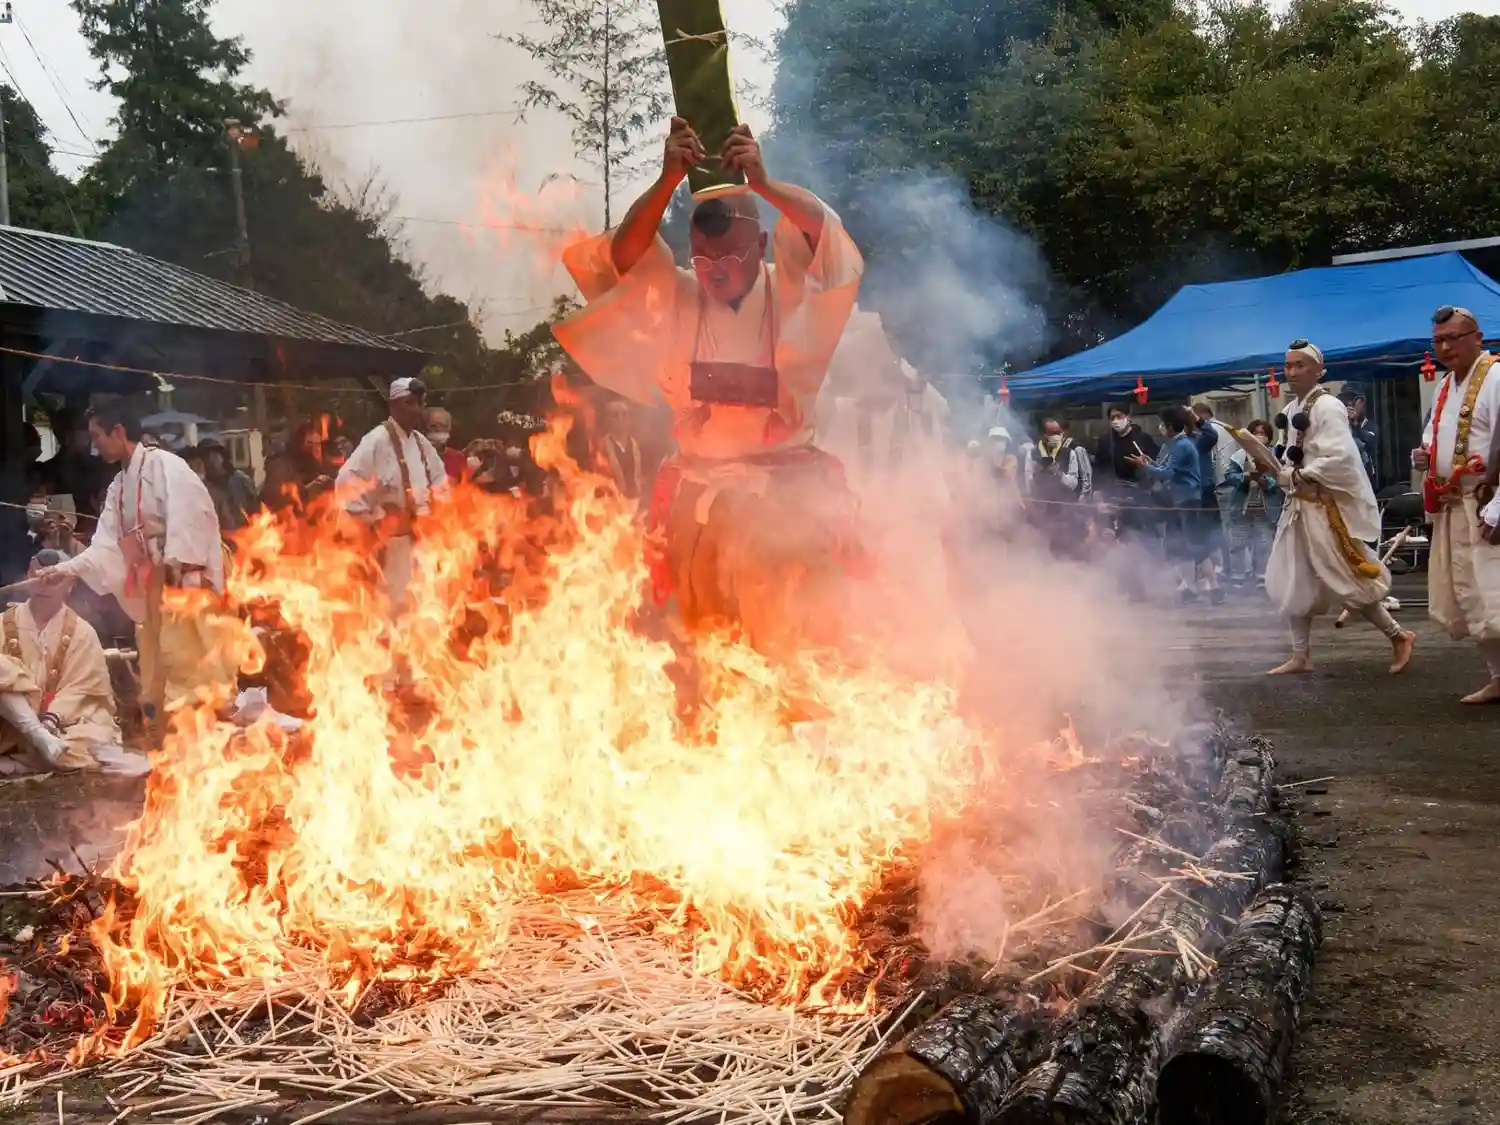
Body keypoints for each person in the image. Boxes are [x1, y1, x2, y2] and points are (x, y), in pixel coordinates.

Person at [552, 117, 864, 650]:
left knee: (798, 641)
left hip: (789, 504)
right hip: (703, 503)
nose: (715, 270)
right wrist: (667, 181)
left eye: (732, 256)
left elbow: (826, 239)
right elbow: (623, 259)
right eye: (703, 257)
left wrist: (764, 185)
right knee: (706, 639)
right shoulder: (678, 294)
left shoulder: (791, 287)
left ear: (760, 244)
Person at [35, 399, 233, 742]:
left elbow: (194, 516)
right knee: (153, 660)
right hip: (155, 581)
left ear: (118, 431)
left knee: (185, 659)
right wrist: (65, 569)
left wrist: (178, 566)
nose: (94, 445)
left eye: (97, 435)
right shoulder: (119, 485)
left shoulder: (167, 466)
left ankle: (198, 739)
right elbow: (105, 546)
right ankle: (162, 736)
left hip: (186, 579)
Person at [1261, 341, 1414, 675]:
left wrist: (1300, 474)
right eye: (1288, 365)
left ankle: (1399, 635)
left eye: (1300, 365)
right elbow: (1291, 455)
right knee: (1293, 578)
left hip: (1323, 510)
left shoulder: (1329, 406)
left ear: (1319, 370)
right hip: (1297, 508)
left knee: (1347, 577)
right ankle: (1300, 654)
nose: (1291, 372)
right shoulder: (1292, 408)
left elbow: (1341, 458)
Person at [1413, 306, 1500, 703]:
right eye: (1439, 341)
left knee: (1495, 592)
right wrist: (1425, 455)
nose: (1446, 347)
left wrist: (1498, 507)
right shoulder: (1445, 386)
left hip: (1487, 502)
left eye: (1453, 338)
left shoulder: (1496, 376)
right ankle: (1498, 676)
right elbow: (1433, 437)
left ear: (1477, 338)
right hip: (1457, 505)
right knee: (1473, 597)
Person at [0, 551, 148, 777]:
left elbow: (82, 688)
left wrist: (51, 718)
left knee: (94, 741)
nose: (44, 585)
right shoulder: (3, 622)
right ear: (28, 577)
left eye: (54, 579)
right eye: (37, 576)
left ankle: (25, 759)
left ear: (70, 584)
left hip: (60, 726)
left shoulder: (83, 632)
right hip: (8, 725)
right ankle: (36, 743)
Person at [337, 377, 448, 612]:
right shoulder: (376, 440)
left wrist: (437, 515)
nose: (417, 410)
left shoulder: (421, 443)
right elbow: (346, 483)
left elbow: (441, 482)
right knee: (395, 608)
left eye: (420, 403)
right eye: (410, 403)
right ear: (393, 406)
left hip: (424, 542)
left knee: (426, 607)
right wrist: (373, 523)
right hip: (393, 546)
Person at [1130, 407, 1203, 597]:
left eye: (1162, 423)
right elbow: (1165, 468)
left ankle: (1198, 584)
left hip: (1187, 497)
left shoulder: (1182, 445)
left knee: (1188, 542)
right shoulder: (1173, 444)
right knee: (1177, 543)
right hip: (1177, 498)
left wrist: (1145, 467)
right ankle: (1187, 584)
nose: (1160, 427)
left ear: (1170, 425)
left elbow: (1168, 473)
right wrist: (1149, 462)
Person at [1224, 418, 1283, 587]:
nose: (1259, 436)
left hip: (1266, 506)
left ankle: (1262, 575)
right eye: (1255, 433)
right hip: (1242, 504)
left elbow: (1281, 478)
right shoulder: (1239, 456)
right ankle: (1238, 575)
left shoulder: (1273, 456)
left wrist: (1265, 481)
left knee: (1263, 542)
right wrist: (1245, 477)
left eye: (1263, 433)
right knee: (1238, 541)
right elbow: (1229, 476)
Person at [1025, 418, 1092, 555]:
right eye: (1052, 433)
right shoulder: (1032, 453)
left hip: (1065, 511)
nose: (1057, 436)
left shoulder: (1069, 453)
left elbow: (1074, 484)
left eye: (1059, 433)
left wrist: (1059, 474)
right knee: (1041, 551)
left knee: (1068, 551)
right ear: (1043, 435)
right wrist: (1038, 474)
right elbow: (1028, 484)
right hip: (1042, 512)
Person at [1184, 408, 1225, 601]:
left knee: (1207, 537)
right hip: (1184, 497)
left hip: (1204, 493)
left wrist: (1197, 418)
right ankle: (1189, 583)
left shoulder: (1199, 441)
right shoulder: (1173, 445)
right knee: (1185, 541)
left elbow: (1211, 435)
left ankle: (1213, 580)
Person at [262, 423, 335, 515]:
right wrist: (306, 494)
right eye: (309, 444)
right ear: (299, 445)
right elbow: (276, 503)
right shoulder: (283, 468)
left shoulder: (323, 468)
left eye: (318, 444)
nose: (316, 450)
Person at [199, 439, 261, 532]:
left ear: (222, 457)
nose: (211, 460)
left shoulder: (242, 480)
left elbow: (256, 507)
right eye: (206, 457)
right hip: (220, 534)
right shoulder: (202, 488)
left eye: (215, 456)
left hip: (246, 532)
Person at [599, 397, 644, 502]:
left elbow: (638, 476)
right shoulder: (602, 445)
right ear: (607, 420)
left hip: (635, 500)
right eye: (615, 415)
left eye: (624, 414)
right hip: (613, 502)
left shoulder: (635, 445)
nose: (620, 419)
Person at [1344, 392, 1379, 488]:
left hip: (1366, 476)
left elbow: (1368, 442)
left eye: (1354, 405)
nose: (1351, 409)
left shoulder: (1371, 425)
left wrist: (1354, 423)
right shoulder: (1344, 426)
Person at [426, 407, 469, 483]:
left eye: (443, 426)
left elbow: (464, 485)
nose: (438, 430)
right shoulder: (416, 456)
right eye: (434, 426)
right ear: (424, 427)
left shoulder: (458, 458)